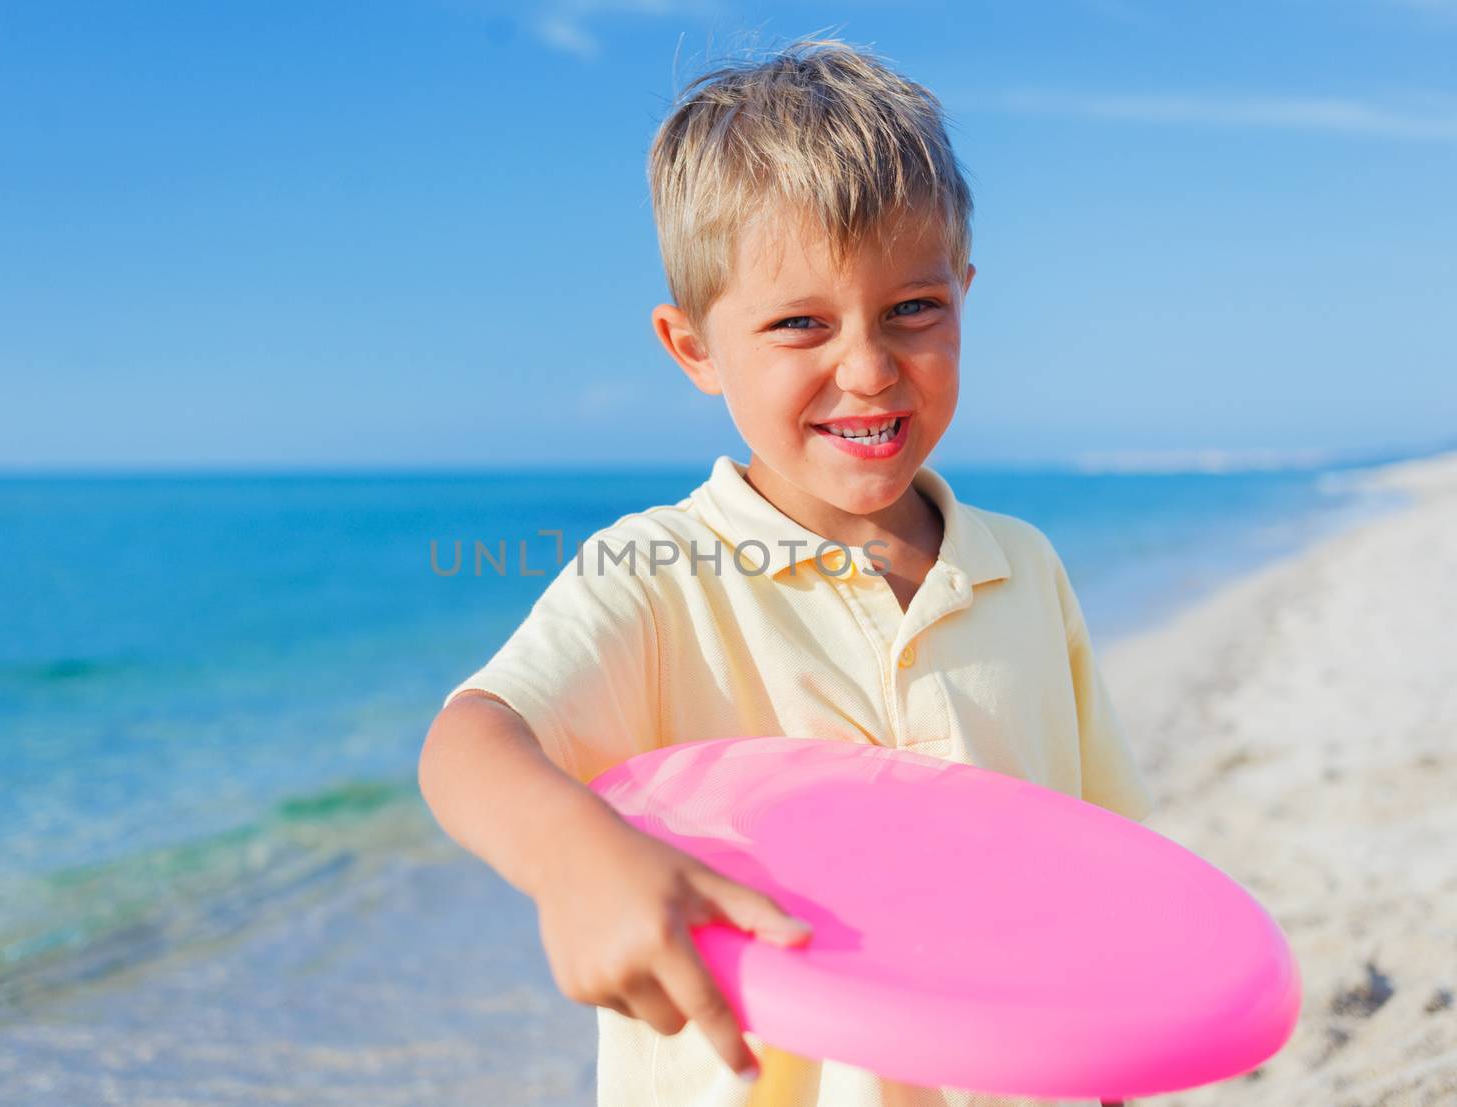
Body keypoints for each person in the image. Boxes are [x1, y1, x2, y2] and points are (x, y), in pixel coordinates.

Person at [419, 36, 1152, 1107]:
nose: (866, 368)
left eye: (914, 309)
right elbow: (472, 741)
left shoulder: (1022, 570)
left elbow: (1105, 865)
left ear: (965, 293)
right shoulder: (659, 574)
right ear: (694, 348)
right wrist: (577, 861)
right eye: (798, 323)